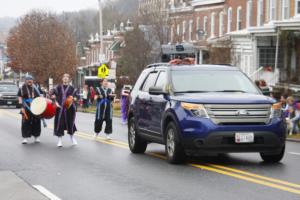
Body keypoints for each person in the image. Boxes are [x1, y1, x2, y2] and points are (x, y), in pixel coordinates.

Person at [51, 73, 79, 147]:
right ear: (62, 79)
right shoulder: (58, 87)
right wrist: (53, 98)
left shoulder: (72, 88)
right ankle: (59, 141)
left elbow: (76, 97)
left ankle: (72, 138)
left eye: (67, 77)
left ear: (69, 79)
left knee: (71, 124)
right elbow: (52, 95)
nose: (66, 78)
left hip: (69, 109)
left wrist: (74, 98)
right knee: (60, 124)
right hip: (60, 109)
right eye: (64, 77)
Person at [17, 75, 42, 144]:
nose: (29, 81)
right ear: (25, 81)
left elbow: (41, 97)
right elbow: (20, 98)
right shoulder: (22, 88)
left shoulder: (36, 88)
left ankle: (36, 137)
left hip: (35, 107)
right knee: (25, 123)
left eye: (31, 80)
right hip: (26, 107)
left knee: (36, 122)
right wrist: (21, 107)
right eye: (28, 80)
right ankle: (25, 138)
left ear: (33, 81)